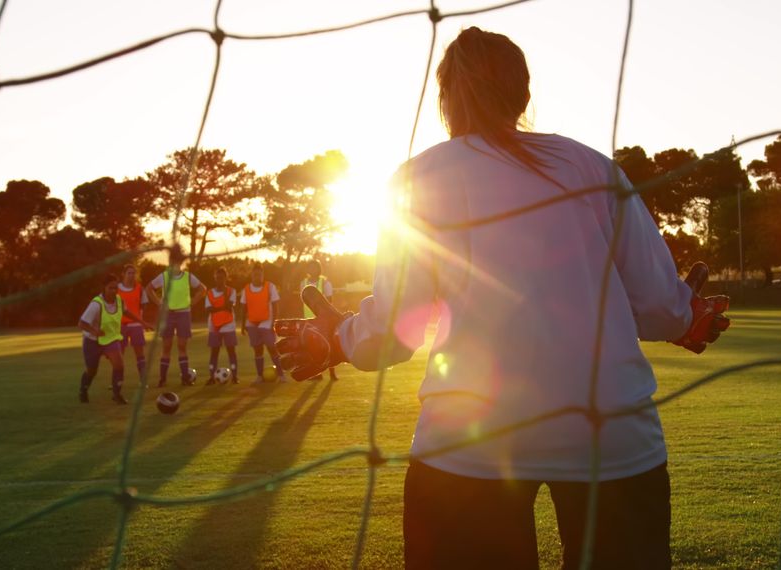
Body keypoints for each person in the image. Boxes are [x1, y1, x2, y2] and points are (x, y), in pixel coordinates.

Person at [274, 27, 730, 569]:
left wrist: (337, 339)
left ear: (445, 99)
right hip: (611, 438)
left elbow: (393, 335)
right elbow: (660, 309)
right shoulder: (595, 170)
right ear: (524, 95)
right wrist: (686, 315)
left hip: (468, 443)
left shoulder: (418, 179)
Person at [78, 273, 154, 405]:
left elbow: (127, 312)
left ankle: (117, 394)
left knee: (119, 365)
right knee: (92, 370)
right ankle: (83, 390)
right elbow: (82, 323)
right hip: (92, 341)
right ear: (104, 288)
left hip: (111, 339)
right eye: (110, 288)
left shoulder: (119, 300)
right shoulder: (96, 304)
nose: (113, 291)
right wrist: (95, 331)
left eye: (115, 288)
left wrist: (143, 322)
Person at [147, 261, 206, 387]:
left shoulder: (188, 276)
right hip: (168, 314)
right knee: (166, 347)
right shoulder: (164, 276)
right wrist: (159, 303)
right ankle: (162, 379)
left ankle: (185, 378)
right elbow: (149, 289)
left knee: (182, 346)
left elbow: (203, 289)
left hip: (183, 314)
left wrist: (193, 301)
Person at [240, 263, 284, 383]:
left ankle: (281, 375)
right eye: (255, 275)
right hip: (252, 322)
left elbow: (275, 306)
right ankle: (259, 376)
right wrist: (243, 325)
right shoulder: (246, 289)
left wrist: (274, 323)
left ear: (263, 275)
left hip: (267, 321)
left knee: (272, 348)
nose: (257, 277)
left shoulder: (270, 287)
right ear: (252, 275)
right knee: (257, 350)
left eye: (259, 274)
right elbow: (243, 308)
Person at [301, 259, 339, 381]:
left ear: (319, 269)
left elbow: (329, 301)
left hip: (323, 319)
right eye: (310, 267)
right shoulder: (303, 283)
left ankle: (332, 372)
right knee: (313, 346)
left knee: (328, 345)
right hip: (309, 319)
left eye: (314, 267)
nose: (312, 270)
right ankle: (317, 374)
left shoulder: (325, 283)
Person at [205, 266, 240, 384]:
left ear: (226, 278)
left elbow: (229, 305)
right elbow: (209, 309)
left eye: (222, 278)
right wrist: (223, 308)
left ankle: (235, 376)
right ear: (215, 278)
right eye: (218, 277)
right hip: (214, 325)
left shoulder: (231, 291)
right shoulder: (209, 293)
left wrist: (218, 306)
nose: (220, 280)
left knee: (231, 351)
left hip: (228, 325)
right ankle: (211, 377)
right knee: (214, 352)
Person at [117, 264, 150, 380]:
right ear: (123, 274)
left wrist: (140, 319)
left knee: (140, 353)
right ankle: (117, 380)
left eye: (133, 273)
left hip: (136, 325)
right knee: (119, 354)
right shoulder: (116, 288)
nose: (131, 275)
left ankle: (143, 380)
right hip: (120, 325)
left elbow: (144, 305)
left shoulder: (139, 289)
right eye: (129, 273)